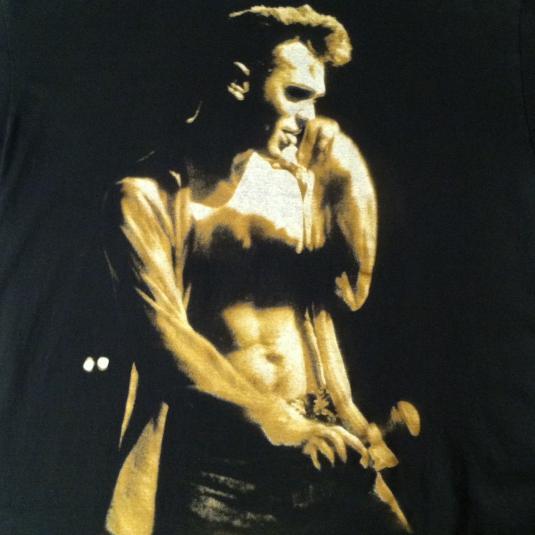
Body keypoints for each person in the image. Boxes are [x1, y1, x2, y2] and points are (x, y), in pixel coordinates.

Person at [103, 5, 419, 534]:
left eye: (316, 99)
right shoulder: (143, 197)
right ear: (238, 82)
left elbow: (350, 291)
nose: (310, 116)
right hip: (221, 472)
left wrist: (348, 180)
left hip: (329, 448)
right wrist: (277, 422)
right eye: (296, 94)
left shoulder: (296, 182)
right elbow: (164, 340)